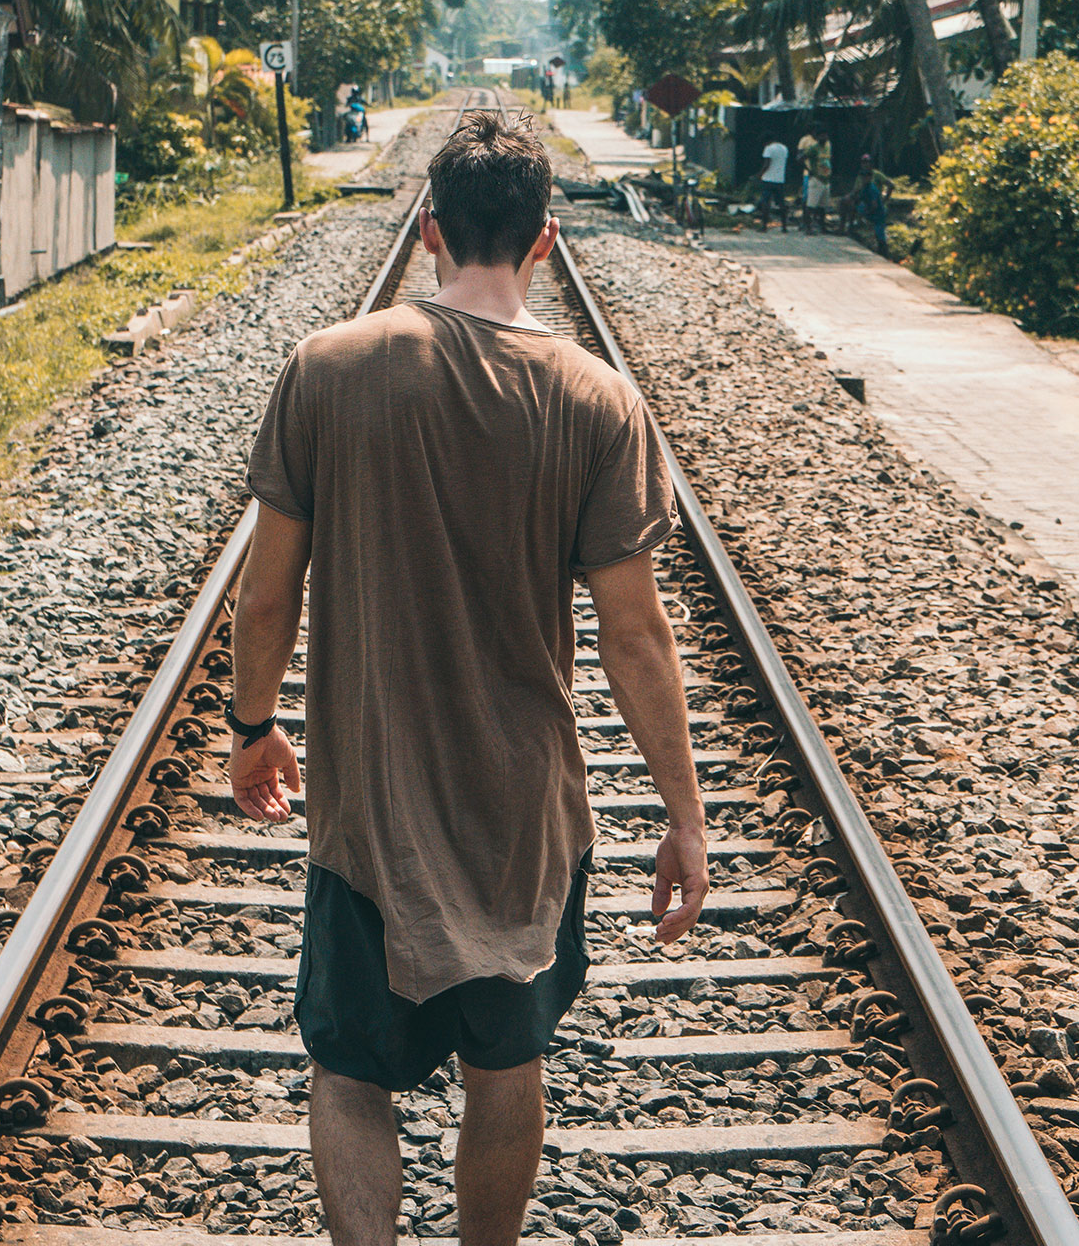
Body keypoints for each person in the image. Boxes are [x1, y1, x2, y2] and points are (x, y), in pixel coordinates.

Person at [229, 112, 709, 1246]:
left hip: (367, 817)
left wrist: (254, 724)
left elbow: (266, 593)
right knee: (508, 1066)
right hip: (524, 818)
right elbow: (637, 637)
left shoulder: (329, 365)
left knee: (350, 1073)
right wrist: (684, 814)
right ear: (542, 241)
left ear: (430, 229)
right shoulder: (596, 398)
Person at [843, 154, 892, 255]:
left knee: (880, 233)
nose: (866, 164)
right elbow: (856, 192)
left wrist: (885, 200)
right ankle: (849, 228)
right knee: (847, 202)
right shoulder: (862, 182)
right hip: (867, 205)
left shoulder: (873, 186)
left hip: (876, 209)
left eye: (868, 162)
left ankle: (884, 253)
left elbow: (875, 203)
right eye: (864, 162)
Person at [798, 126, 831, 236]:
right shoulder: (813, 148)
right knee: (810, 205)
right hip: (816, 179)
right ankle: (808, 227)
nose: (824, 137)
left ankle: (822, 226)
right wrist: (809, 170)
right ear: (817, 137)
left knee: (823, 206)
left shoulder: (828, 145)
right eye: (822, 135)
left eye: (826, 135)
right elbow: (800, 157)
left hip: (826, 180)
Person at [756, 133, 790, 231]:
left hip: (768, 179)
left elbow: (767, 164)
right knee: (781, 203)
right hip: (779, 179)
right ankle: (784, 227)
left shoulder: (769, 148)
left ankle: (764, 226)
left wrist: (759, 174)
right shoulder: (784, 148)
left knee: (766, 202)